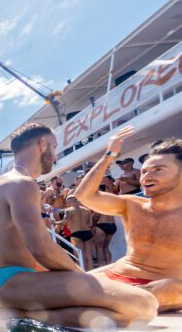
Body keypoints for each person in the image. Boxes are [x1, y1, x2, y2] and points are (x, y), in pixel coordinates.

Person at [0, 122, 158, 327]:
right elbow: (40, 246)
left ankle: (1, 312)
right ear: (42, 144)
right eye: (54, 146)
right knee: (143, 304)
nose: (56, 155)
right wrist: (81, 276)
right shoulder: (21, 183)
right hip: (11, 282)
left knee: (107, 316)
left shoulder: (5, 183)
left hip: (7, 281)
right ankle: (7, 315)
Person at [76, 129, 182, 312]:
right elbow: (84, 195)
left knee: (170, 288)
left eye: (158, 170)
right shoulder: (132, 205)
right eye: (145, 171)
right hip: (117, 276)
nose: (146, 176)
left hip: (159, 286)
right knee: (64, 283)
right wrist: (109, 154)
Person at [57, 195, 94, 270]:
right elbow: (90, 224)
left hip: (76, 234)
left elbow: (64, 222)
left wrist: (54, 222)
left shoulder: (68, 210)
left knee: (79, 256)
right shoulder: (87, 210)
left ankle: (83, 274)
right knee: (89, 255)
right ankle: (92, 272)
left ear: (68, 202)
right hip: (87, 232)